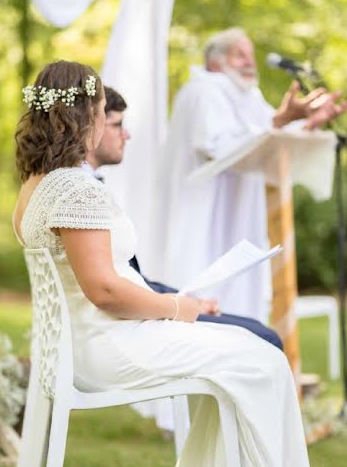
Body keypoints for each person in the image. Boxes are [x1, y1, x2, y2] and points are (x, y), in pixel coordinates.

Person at [12, 61, 347, 467]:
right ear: (81, 117)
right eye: (98, 111)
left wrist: (176, 308)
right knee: (261, 360)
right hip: (109, 344)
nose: (102, 121)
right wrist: (180, 306)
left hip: (91, 342)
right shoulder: (71, 187)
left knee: (244, 353)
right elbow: (105, 291)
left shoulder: (38, 184)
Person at [84, 85, 283, 434]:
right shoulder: (79, 195)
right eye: (115, 124)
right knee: (263, 340)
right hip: (124, 330)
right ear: (90, 127)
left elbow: (127, 276)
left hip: (136, 313)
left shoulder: (83, 188)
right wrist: (176, 308)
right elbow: (107, 290)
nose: (125, 134)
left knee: (256, 331)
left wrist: (187, 301)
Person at [148, 27, 347, 323]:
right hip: (203, 211)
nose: (250, 62)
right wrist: (283, 119)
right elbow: (216, 145)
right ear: (216, 61)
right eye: (239, 54)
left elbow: (267, 135)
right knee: (202, 281)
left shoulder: (247, 95)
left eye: (250, 55)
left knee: (241, 298)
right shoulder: (202, 91)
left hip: (239, 211)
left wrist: (309, 123)